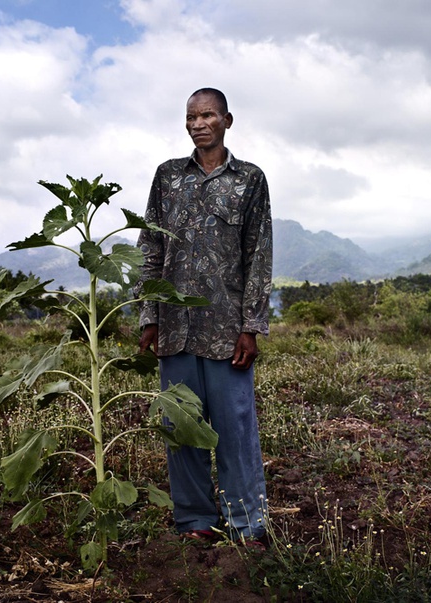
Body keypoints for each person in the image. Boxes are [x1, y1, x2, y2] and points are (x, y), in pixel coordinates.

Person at [137, 87, 272, 544]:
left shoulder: (250, 180)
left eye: (208, 115)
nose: (198, 123)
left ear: (227, 121)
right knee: (180, 426)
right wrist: (148, 316)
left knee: (234, 428)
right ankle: (195, 519)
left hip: (226, 330)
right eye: (191, 116)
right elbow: (150, 248)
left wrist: (251, 327)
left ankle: (246, 522)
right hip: (174, 328)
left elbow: (258, 255)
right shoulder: (167, 177)